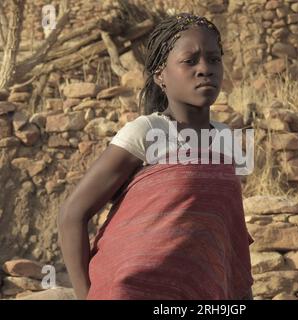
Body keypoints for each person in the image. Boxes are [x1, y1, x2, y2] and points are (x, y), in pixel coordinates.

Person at [58, 12, 254, 300]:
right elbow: (72, 214)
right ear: (161, 75)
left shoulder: (226, 140)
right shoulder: (146, 131)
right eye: (190, 61)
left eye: (214, 59)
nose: (205, 69)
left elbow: (227, 233)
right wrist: (86, 295)